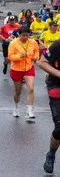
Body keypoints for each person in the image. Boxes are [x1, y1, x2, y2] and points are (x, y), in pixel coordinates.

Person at [38, 40, 60, 174]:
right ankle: (51, 155)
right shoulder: (58, 45)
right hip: (57, 87)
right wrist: (58, 73)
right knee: (59, 129)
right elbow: (41, 62)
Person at [8, 26, 39, 118]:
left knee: (31, 89)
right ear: (19, 34)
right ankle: (16, 108)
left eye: (27, 35)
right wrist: (19, 56)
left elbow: (36, 51)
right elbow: (10, 57)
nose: (25, 37)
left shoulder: (33, 42)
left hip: (29, 68)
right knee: (18, 91)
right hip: (16, 69)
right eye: (23, 35)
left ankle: (30, 111)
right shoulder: (13, 43)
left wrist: (36, 57)